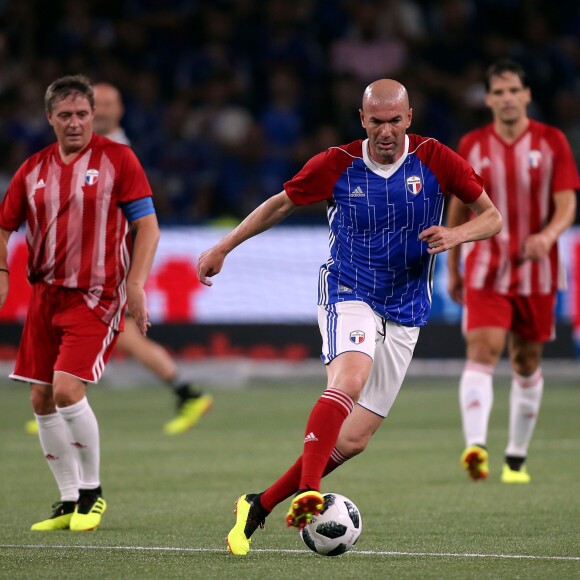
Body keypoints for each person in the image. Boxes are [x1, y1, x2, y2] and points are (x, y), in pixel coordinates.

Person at [197, 78, 502, 556]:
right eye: (376, 121)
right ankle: (311, 491)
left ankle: (258, 504)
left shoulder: (437, 158)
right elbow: (280, 204)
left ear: (409, 118)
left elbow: (492, 217)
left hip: (406, 306)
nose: (386, 132)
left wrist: (457, 235)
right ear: (362, 120)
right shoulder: (336, 164)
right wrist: (223, 247)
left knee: (356, 438)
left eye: (395, 121)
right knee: (351, 376)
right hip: (348, 290)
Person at [0, 75, 160, 531]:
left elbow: (147, 226)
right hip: (45, 296)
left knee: (68, 389)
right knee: (41, 396)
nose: (75, 123)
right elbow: (3, 225)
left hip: (97, 293)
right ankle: (68, 500)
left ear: (93, 116)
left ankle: (92, 494)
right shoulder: (32, 169)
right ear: (50, 118)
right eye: (65, 115)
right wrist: (3, 272)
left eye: (82, 115)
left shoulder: (119, 159)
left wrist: (136, 283)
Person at [447, 59, 579, 484]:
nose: (506, 99)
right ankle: (476, 446)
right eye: (498, 92)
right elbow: (457, 206)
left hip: (537, 271)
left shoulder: (551, 140)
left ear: (527, 95)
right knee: (482, 351)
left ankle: (516, 459)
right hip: (484, 267)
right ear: (487, 99)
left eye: (513, 91)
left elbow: (566, 203)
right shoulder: (472, 144)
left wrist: (550, 234)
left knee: (526, 361)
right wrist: (451, 263)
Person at [92, 82, 214, 434]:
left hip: (109, 262)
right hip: (102, 262)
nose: (99, 110)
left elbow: (136, 220)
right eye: (94, 104)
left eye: (106, 104)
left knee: (119, 335)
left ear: (119, 110)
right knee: (109, 334)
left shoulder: (116, 153)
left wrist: (129, 274)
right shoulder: (96, 149)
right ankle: (56, 403)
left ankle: (57, 405)